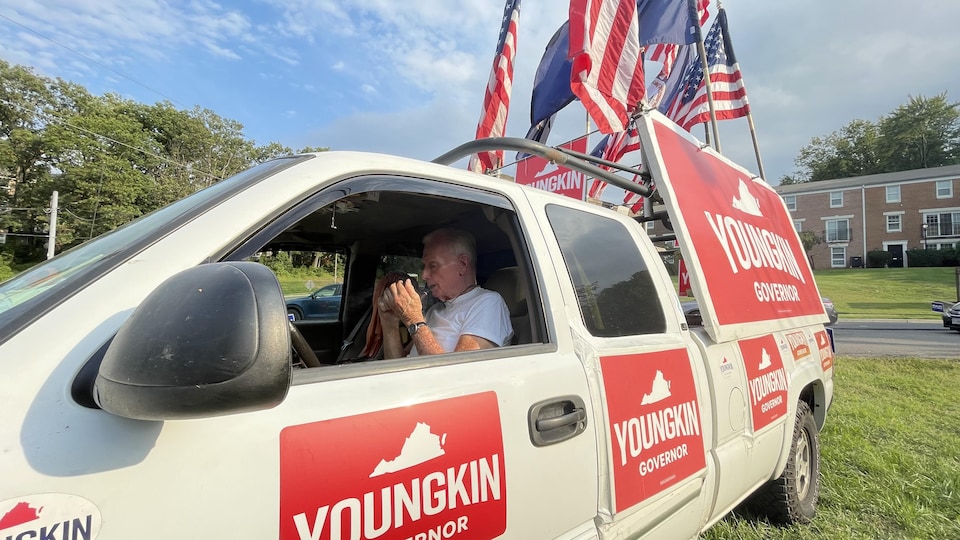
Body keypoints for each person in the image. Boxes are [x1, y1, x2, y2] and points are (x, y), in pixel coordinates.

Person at [378, 228, 513, 359]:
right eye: (424, 267)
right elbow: (398, 368)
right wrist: (389, 322)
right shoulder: (434, 311)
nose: (424, 275)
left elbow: (455, 373)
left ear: (462, 264)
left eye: (433, 265)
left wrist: (414, 319)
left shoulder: (488, 303)